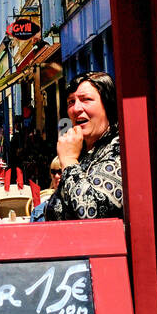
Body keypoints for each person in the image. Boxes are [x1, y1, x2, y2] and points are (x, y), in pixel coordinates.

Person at [45, 72, 123, 221]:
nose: (76, 109)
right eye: (71, 102)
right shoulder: (82, 153)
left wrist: (68, 161)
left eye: (86, 99)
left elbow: (89, 212)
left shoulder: (118, 149)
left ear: (107, 105)